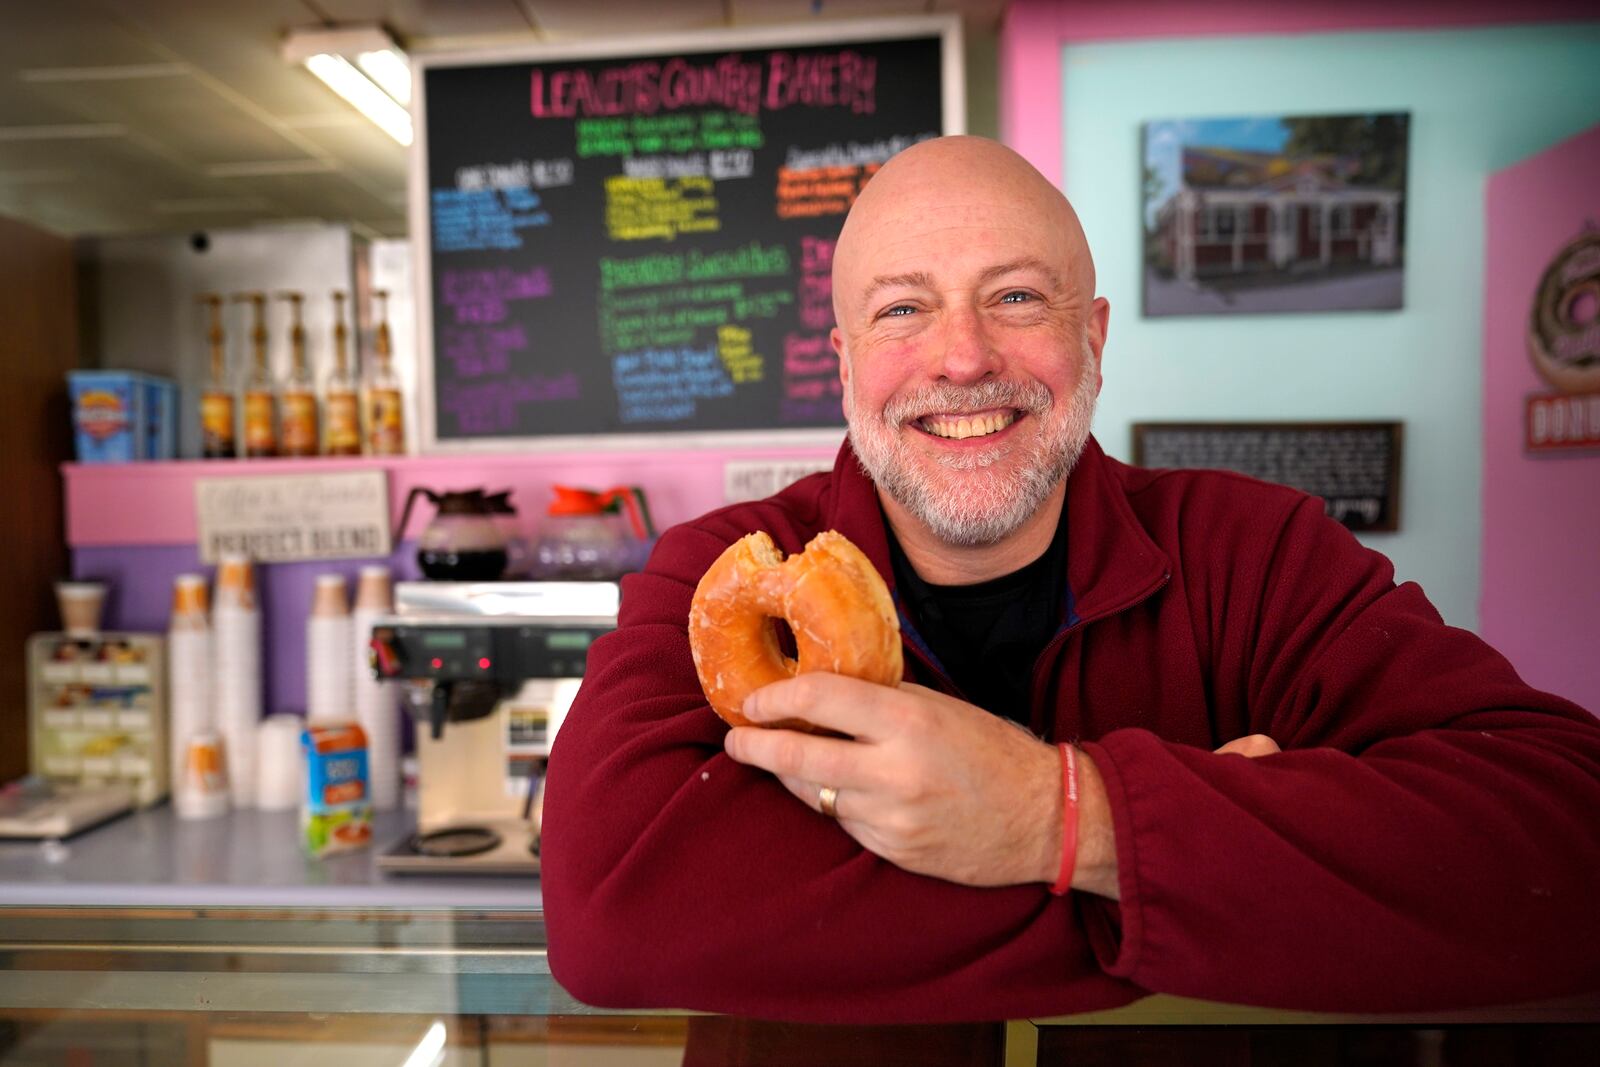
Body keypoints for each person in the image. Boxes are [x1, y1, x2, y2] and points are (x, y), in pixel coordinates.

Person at [541, 136, 1600, 1025]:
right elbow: (612, 919)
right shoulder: (713, 570)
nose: (961, 358)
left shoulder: (1258, 552)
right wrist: (1211, 883)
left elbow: (1564, 838)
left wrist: (1060, 818)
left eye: (1013, 296)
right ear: (845, 359)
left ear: (1090, 336)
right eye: (903, 310)